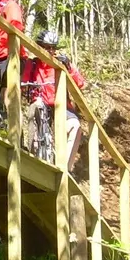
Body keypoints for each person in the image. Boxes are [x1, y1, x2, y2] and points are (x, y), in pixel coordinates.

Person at [21, 29, 86, 173]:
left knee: (75, 127)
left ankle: (65, 168)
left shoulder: (61, 63)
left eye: (53, 47)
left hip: (61, 105)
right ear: (39, 46)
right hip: (41, 101)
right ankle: (35, 154)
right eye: (46, 46)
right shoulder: (32, 65)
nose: (50, 50)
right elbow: (23, 83)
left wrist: (68, 67)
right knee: (36, 107)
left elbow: (80, 84)